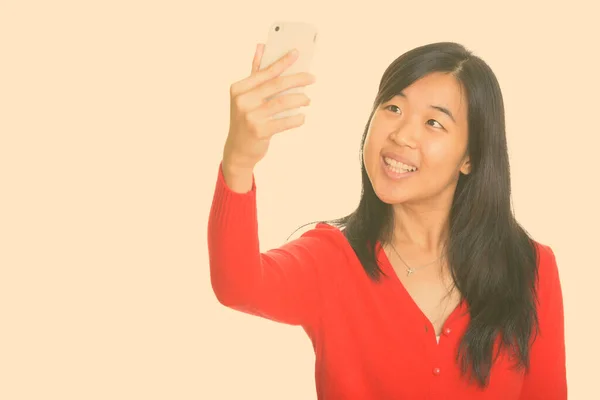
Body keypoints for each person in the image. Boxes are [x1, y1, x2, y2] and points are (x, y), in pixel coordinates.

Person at [207, 41, 567, 399]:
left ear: (470, 158)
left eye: (433, 123)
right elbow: (239, 285)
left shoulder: (530, 268)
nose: (401, 134)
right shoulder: (331, 259)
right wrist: (238, 162)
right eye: (393, 107)